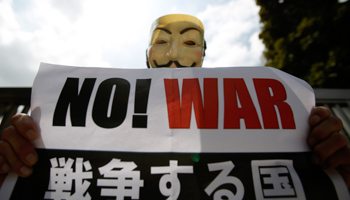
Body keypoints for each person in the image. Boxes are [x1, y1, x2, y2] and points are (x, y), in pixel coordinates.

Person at [0, 14, 349, 189]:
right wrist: (14, 165)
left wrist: (336, 171)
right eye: (162, 42)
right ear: (146, 53)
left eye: (189, 42)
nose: (174, 55)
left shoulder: (255, 122)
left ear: (204, 54)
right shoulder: (92, 109)